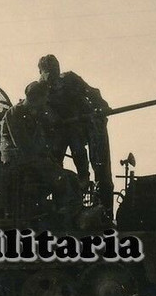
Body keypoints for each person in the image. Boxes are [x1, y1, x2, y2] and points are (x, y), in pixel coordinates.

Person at [37, 54, 114, 212]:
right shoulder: (40, 89)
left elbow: (92, 92)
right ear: (42, 73)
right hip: (58, 131)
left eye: (55, 71)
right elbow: (37, 111)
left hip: (83, 126)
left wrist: (102, 106)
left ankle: (101, 206)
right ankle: (61, 206)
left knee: (95, 164)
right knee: (55, 162)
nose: (53, 77)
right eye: (48, 73)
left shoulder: (71, 79)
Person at [1, 82, 79, 225]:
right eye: (44, 97)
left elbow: (43, 144)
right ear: (36, 98)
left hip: (32, 161)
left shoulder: (36, 115)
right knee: (62, 178)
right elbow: (23, 145)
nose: (46, 101)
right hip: (17, 161)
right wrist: (46, 161)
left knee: (71, 178)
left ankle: (63, 215)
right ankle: (63, 215)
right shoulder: (14, 114)